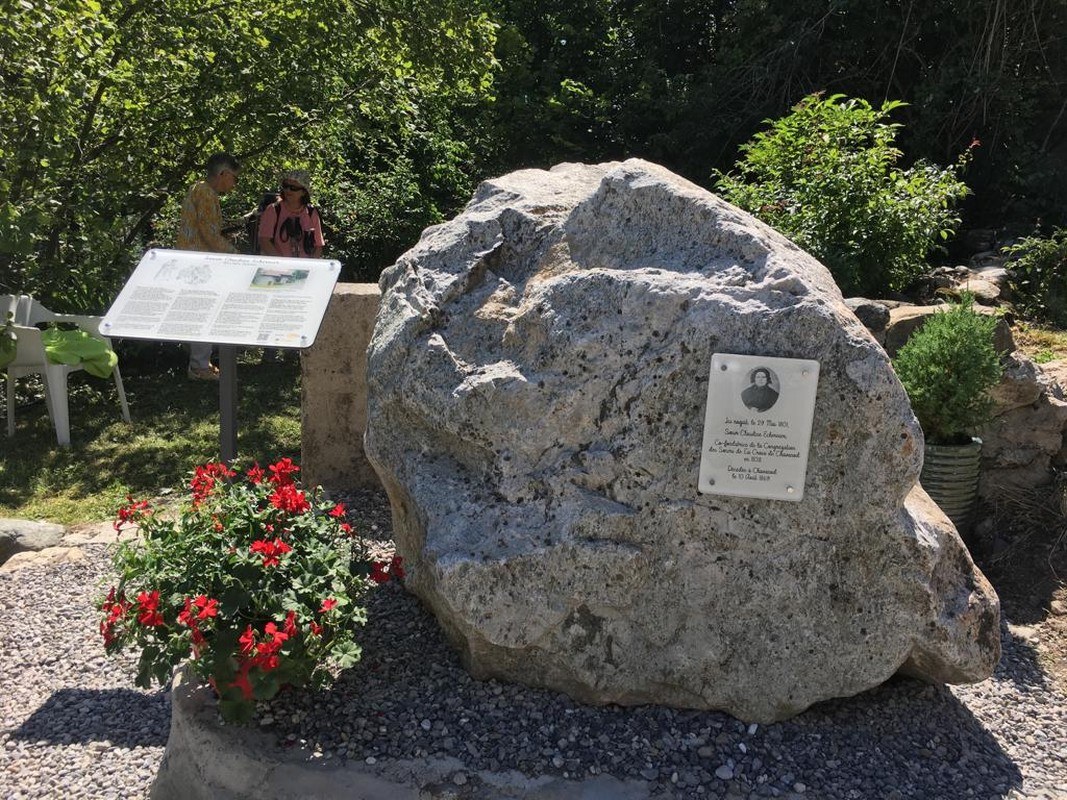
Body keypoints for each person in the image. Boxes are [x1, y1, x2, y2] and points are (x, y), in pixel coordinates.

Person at [176, 152, 240, 380]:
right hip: (198, 263)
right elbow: (209, 234)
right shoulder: (205, 192)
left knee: (203, 311)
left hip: (195, 261)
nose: (234, 184)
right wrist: (235, 254)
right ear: (222, 174)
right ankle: (199, 366)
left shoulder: (199, 188)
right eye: (234, 178)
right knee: (204, 312)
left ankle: (202, 362)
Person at [258, 169, 324, 259]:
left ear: (304, 192)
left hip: (304, 268)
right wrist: (283, 265)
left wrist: (310, 266)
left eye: (294, 188)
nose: (288, 190)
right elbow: (264, 241)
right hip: (277, 268)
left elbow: (318, 245)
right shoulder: (273, 210)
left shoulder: (312, 212)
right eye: (286, 186)